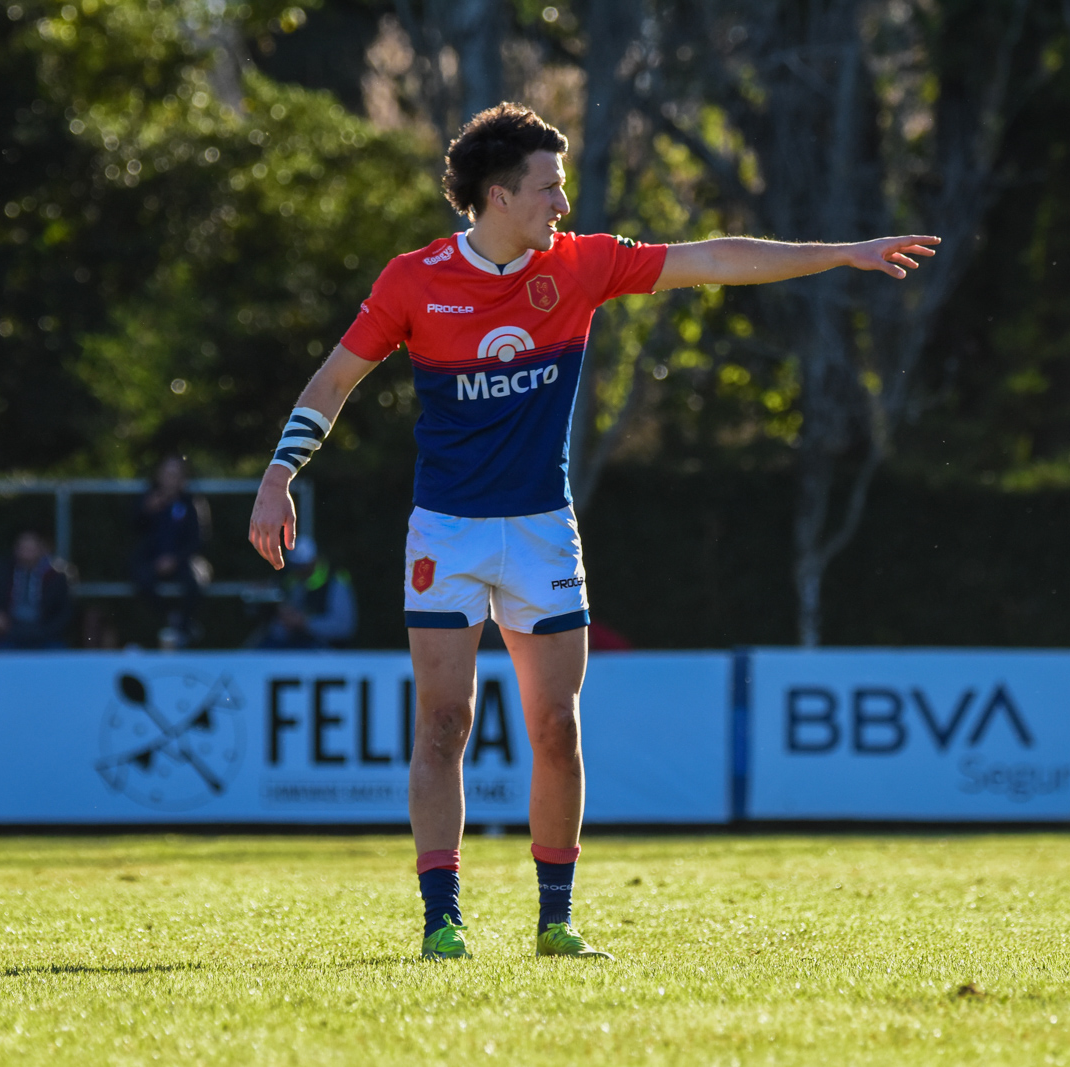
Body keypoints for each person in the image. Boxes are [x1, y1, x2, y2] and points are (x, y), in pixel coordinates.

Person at [248, 103, 938, 961]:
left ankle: (555, 917)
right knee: (442, 725)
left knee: (556, 727)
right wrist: (280, 476)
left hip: (542, 532)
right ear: (499, 195)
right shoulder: (413, 280)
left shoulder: (579, 268)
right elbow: (333, 379)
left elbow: (713, 259)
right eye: (548, 189)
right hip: (448, 537)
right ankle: (441, 920)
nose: (562, 205)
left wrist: (840, 253)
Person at [133, 456, 210, 647]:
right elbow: (131, 531)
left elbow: (199, 538)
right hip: (152, 561)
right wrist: (145, 511)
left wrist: (175, 559)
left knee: (195, 583)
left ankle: (185, 627)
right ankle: (169, 620)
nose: (170, 479)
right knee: (140, 577)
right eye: (166, 474)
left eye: (175, 475)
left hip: (182, 561)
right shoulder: (147, 501)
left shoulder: (192, 503)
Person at [0, 530, 73, 649]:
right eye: (23, 548)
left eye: (31, 549)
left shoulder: (55, 577)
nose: (27, 553)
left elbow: (65, 610)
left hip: (44, 633)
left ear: (41, 550)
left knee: (59, 655)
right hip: (7, 633)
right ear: (15, 549)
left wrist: (48, 630)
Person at [254, 534, 357, 649]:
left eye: (303, 567)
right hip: (290, 643)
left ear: (314, 560)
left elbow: (343, 627)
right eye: (295, 566)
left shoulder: (335, 581)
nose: (299, 571)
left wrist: (304, 623)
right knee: (264, 648)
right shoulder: (289, 577)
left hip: (324, 648)